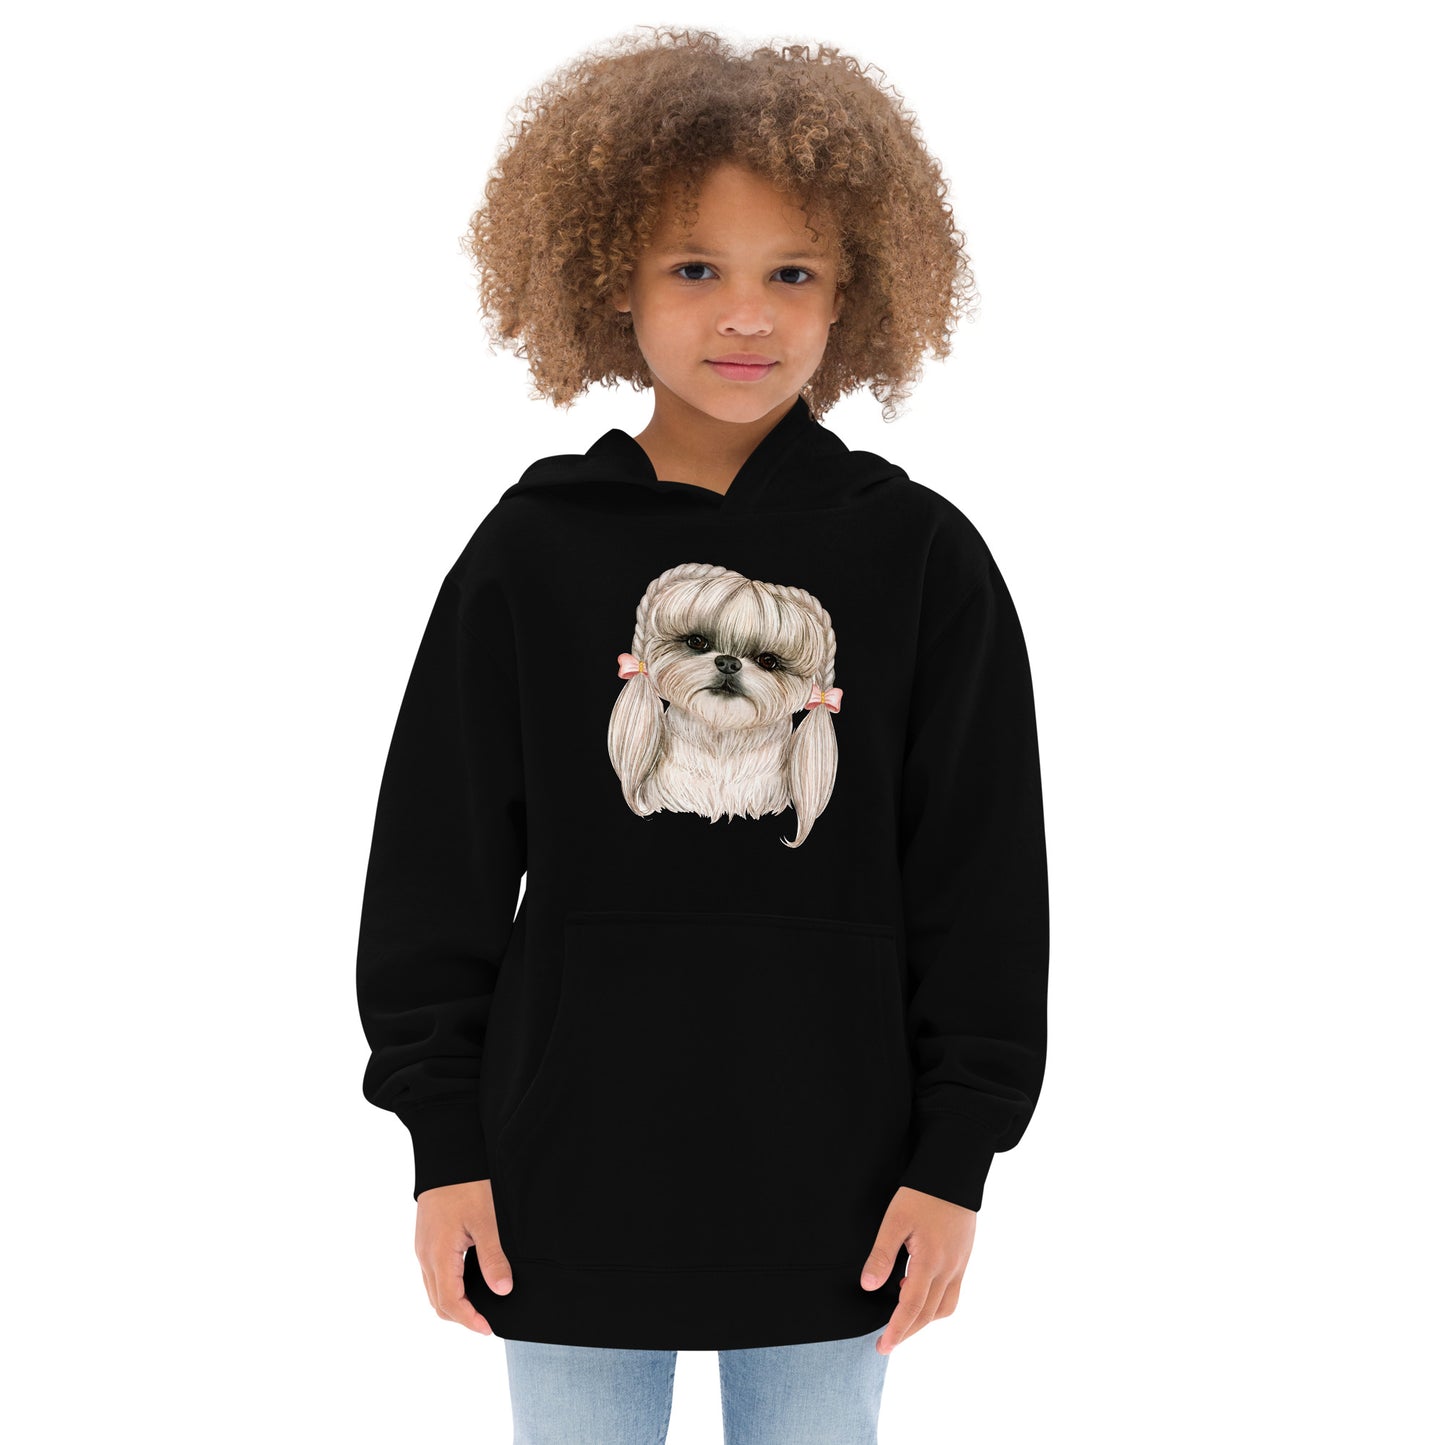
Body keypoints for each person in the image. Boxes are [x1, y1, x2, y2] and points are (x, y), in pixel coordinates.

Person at [355, 26, 1050, 1445]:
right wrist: (443, 1144)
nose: (746, 316)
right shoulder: (529, 551)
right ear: (611, 277)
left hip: (846, 1179)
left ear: (853, 289)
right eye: (694, 269)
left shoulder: (923, 559)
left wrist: (955, 1155)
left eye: (791, 272)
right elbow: (435, 864)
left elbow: (981, 882)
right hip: (561, 1170)